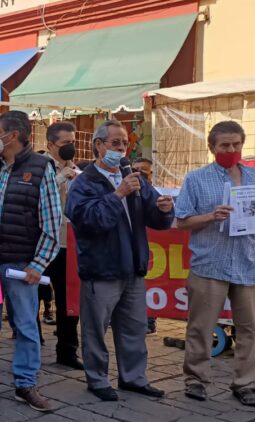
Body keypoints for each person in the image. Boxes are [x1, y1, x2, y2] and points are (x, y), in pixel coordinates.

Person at [66, 120, 173, 402]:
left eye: (125, 143)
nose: (122, 149)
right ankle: (97, 379)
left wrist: (164, 210)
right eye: (115, 143)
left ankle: (133, 378)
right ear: (98, 145)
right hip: (101, 269)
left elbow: (155, 218)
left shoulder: (134, 178)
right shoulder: (83, 182)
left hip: (133, 268)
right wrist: (118, 195)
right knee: (95, 330)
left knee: (135, 328)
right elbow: (89, 221)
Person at [0, 111, 60, 412]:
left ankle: (26, 383)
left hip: (20, 264)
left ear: (12, 135)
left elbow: (52, 222)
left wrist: (38, 264)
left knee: (26, 326)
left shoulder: (41, 168)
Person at [176, 121, 255, 407]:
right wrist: (211, 216)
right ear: (212, 147)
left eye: (236, 144)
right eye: (225, 145)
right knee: (201, 326)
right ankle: (196, 380)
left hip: (249, 262)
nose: (231, 150)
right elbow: (182, 221)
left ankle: (245, 384)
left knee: (250, 329)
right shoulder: (196, 179)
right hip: (210, 263)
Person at [43, 122, 83, 369]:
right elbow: (37, 196)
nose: (70, 147)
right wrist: (60, 178)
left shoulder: (77, 170)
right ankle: (30, 342)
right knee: (35, 297)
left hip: (68, 243)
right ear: (50, 145)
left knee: (68, 299)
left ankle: (67, 350)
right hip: (43, 242)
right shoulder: (41, 167)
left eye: (73, 142)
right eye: (65, 143)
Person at [132, 157, 158, 335]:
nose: (139, 172)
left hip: (155, 247)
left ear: (151, 173)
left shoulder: (157, 193)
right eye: (136, 169)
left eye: (143, 169)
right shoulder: (126, 190)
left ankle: (150, 321)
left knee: (154, 283)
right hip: (135, 246)